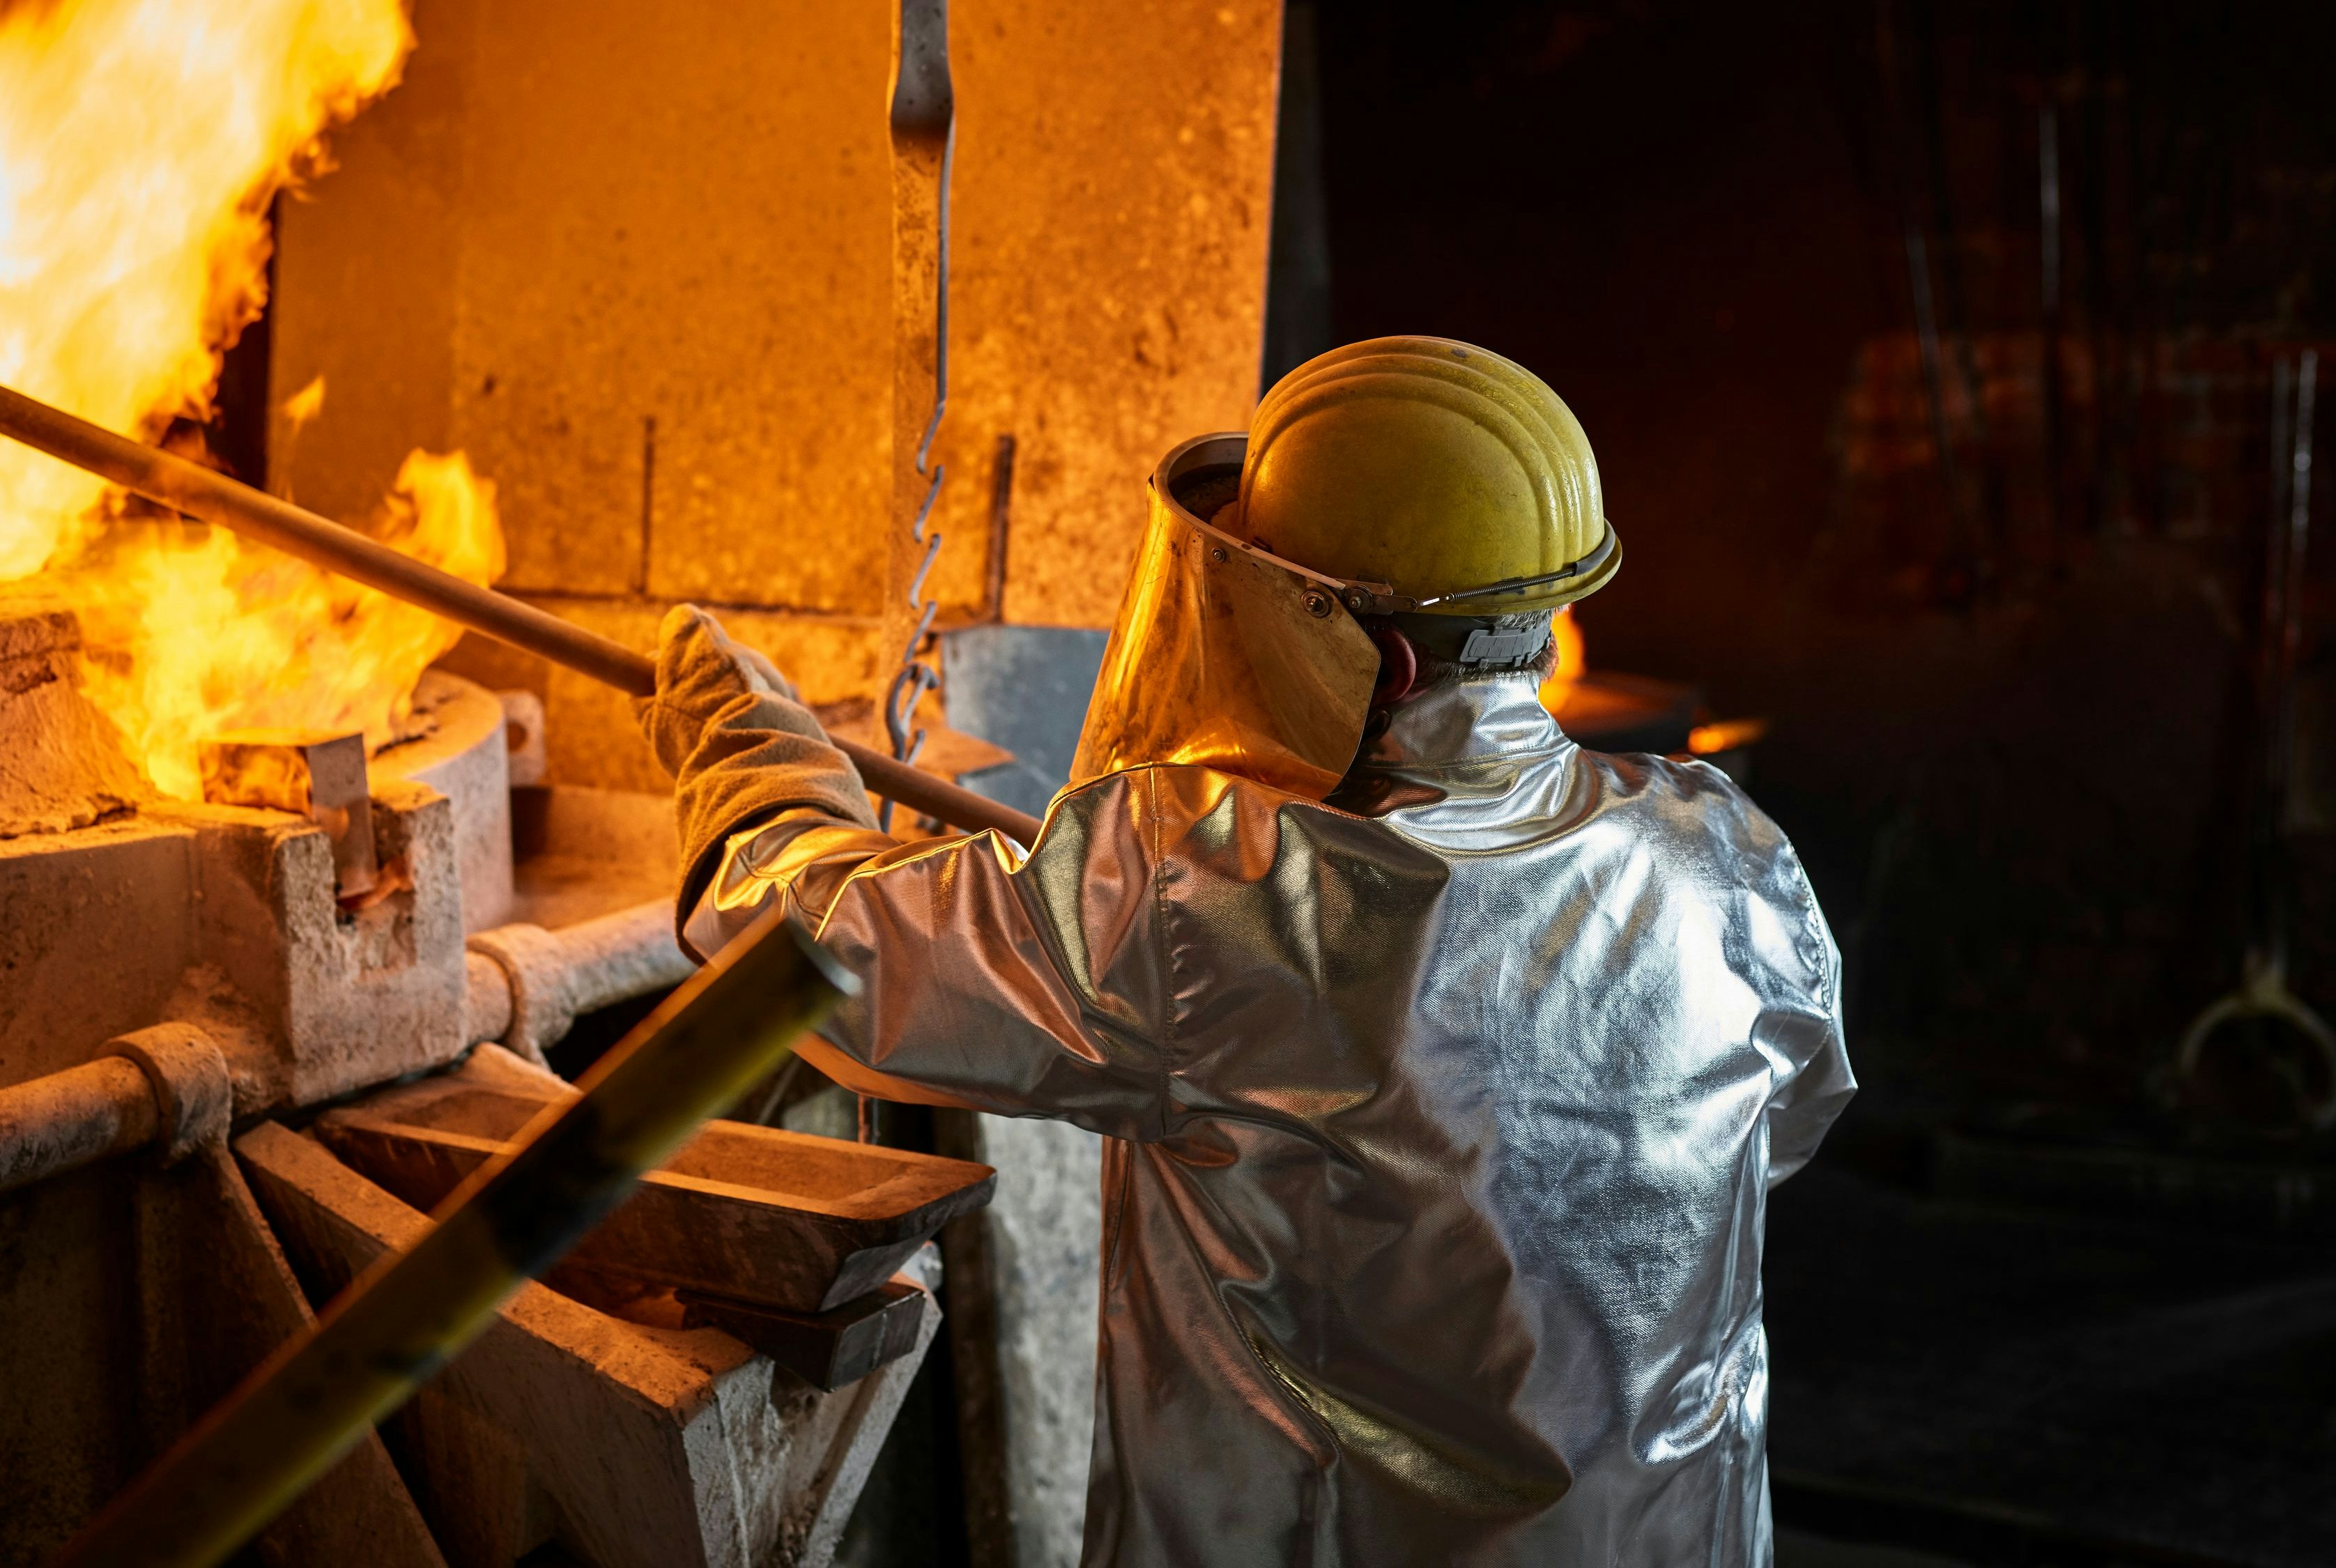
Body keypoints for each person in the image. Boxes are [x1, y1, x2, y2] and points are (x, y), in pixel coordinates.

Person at [637, 337, 1852, 1566]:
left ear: (1380, 654)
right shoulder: (1727, 854)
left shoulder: (1223, 898)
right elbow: (1779, 1134)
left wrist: (745, 752)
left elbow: (822, 956)